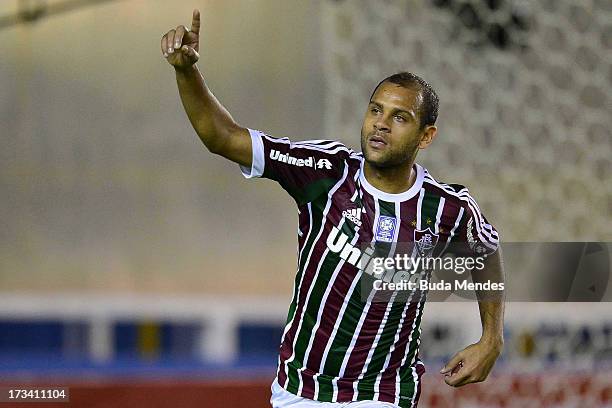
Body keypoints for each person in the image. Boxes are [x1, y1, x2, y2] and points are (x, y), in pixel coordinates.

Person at [161, 9, 505, 408]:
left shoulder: (448, 208)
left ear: (426, 136)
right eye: (375, 109)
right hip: (298, 391)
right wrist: (186, 72)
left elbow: (485, 249)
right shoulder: (325, 172)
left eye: (400, 117)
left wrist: (491, 338)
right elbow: (222, 137)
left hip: (382, 394)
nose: (381, 124)